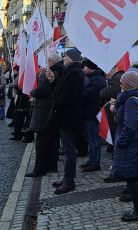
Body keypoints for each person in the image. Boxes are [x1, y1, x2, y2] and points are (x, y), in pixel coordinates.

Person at [112, 71, 138, 222]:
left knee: (131, 177)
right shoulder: (134, 98)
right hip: (132, 141)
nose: (120, 85)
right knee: (134, 175)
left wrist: (121, 142)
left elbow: (129, 126)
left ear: (127, 85)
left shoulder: (131, 101)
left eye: (122, 82)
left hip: (129, 143)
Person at [50, 48, 85, 195]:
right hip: (65, 116)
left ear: (71, 58)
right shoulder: (71, 70)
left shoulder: (75, 72)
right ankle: (66, 178)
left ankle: (69, 181)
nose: (63, 58)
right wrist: (53, 80)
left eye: (65, 56)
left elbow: (68, 94)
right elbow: (61, 88)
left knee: (69, 150)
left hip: (68, 116)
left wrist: (57, 105)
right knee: (66, 149)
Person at [27, 54, 64, 176]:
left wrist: (32, 91)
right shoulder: (61, 72)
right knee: (53, 141)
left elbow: (41, 90)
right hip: (53, 111)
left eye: (48, 61)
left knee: (42, 143)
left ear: (52, 62)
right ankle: (51, 165)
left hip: (45, 112)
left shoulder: (52, 74)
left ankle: (40, 168)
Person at [79, 59, 107, 173]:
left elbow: (89, 95)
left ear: (91, 67)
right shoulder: (94, 78)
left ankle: (95, 162)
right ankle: (91, 160)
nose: (84, 69)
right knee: (90, 139)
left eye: (86, 66)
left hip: (92, 113)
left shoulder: (98, 80)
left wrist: (79, 94)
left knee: (94, 139)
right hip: (88, 112)